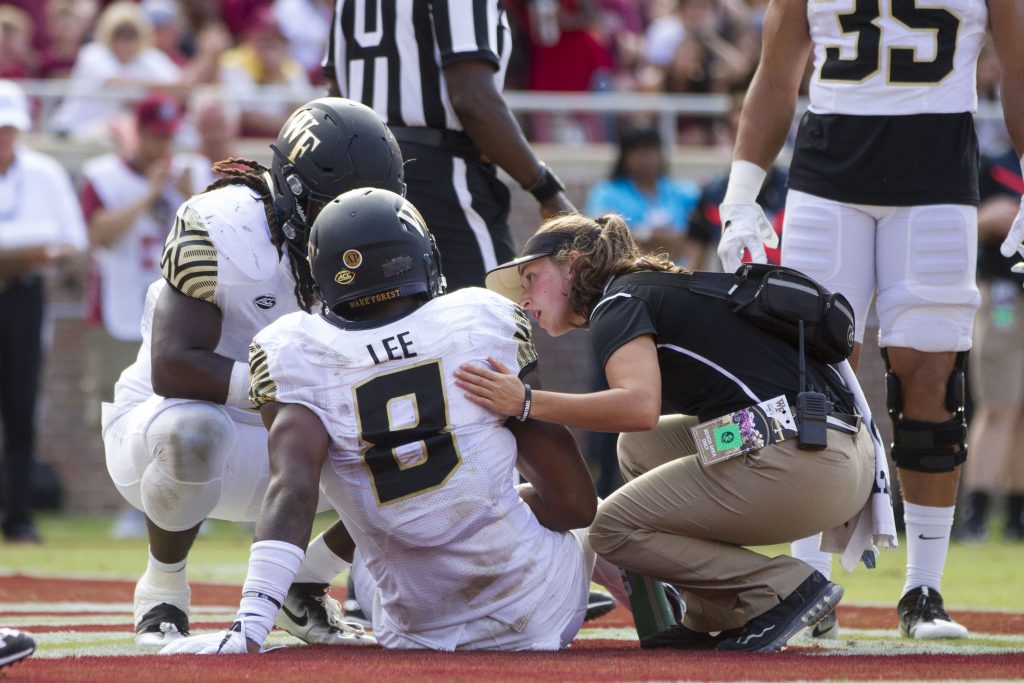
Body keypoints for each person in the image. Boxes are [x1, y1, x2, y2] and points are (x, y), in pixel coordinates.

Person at [160, 188, 624, 654]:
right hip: (538, 612)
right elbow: (574, 505)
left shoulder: (296, 352)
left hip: (413, 630)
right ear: (420, 254)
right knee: (603, 514)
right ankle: (667, 613)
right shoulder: (480, 320)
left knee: (388, 512)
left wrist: (248, 630)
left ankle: (274, 607)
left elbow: (293, 491)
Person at [716, 0, 1024, 640]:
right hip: (829, 174)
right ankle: (806, 580)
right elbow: (777, 74)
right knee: (814, 369)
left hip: (938, 172)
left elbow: (1018, 69)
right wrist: (741, 193)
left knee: (931, 370)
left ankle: (925, 588)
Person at [455, 214, 886, 653]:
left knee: (610, 529)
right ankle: (712, 612)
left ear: (574, 262)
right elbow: (646, 424)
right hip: (832, 450)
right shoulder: (642, 289)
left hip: (806, 460)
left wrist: (525, 401)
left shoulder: (616, 302)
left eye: (531, 277)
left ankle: (782, 586)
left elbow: (637, 406)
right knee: (643, 448)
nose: (525, 299)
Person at [101, 97, 404, 647]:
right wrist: (294, 391)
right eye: (330, 206)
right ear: (289, 188)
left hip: (304, 438)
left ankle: (305, 584)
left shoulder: (387, 232)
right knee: (190, 431)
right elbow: (173, 366)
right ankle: (163, 587)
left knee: (416, 436)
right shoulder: (223, 224)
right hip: (174, 430)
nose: (348, 229)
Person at [323, 0, 575, 292]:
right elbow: (472, 99)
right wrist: (546, 189)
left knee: (390, 321)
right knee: (495, 319)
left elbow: (335, 93)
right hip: (439, 171)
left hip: (358, 172)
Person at [0, 80, 88, 543]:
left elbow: (72, 238)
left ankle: (18, 514)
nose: (4, 139)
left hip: (23, 292)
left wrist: (43, 253)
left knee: (20, 403)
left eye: (9, 130)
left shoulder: (45, 173)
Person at [956, 147, 1024, 542]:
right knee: (997, 406)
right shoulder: (993, 166)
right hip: (1003, 299)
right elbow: (960, 223)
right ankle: (976, 514)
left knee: (1019, 413)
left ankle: (1016, 516)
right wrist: (990, 219)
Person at [584, 126, 700, 267]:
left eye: (651, 150)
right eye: (636, 151)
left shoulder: (684, 191)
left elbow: (697, 237)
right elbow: (603, 232)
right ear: (624, 156)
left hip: (680, 272)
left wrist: (638, 234)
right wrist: (653, 236)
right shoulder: (606, 191)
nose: (645, 158)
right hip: (627, 273)